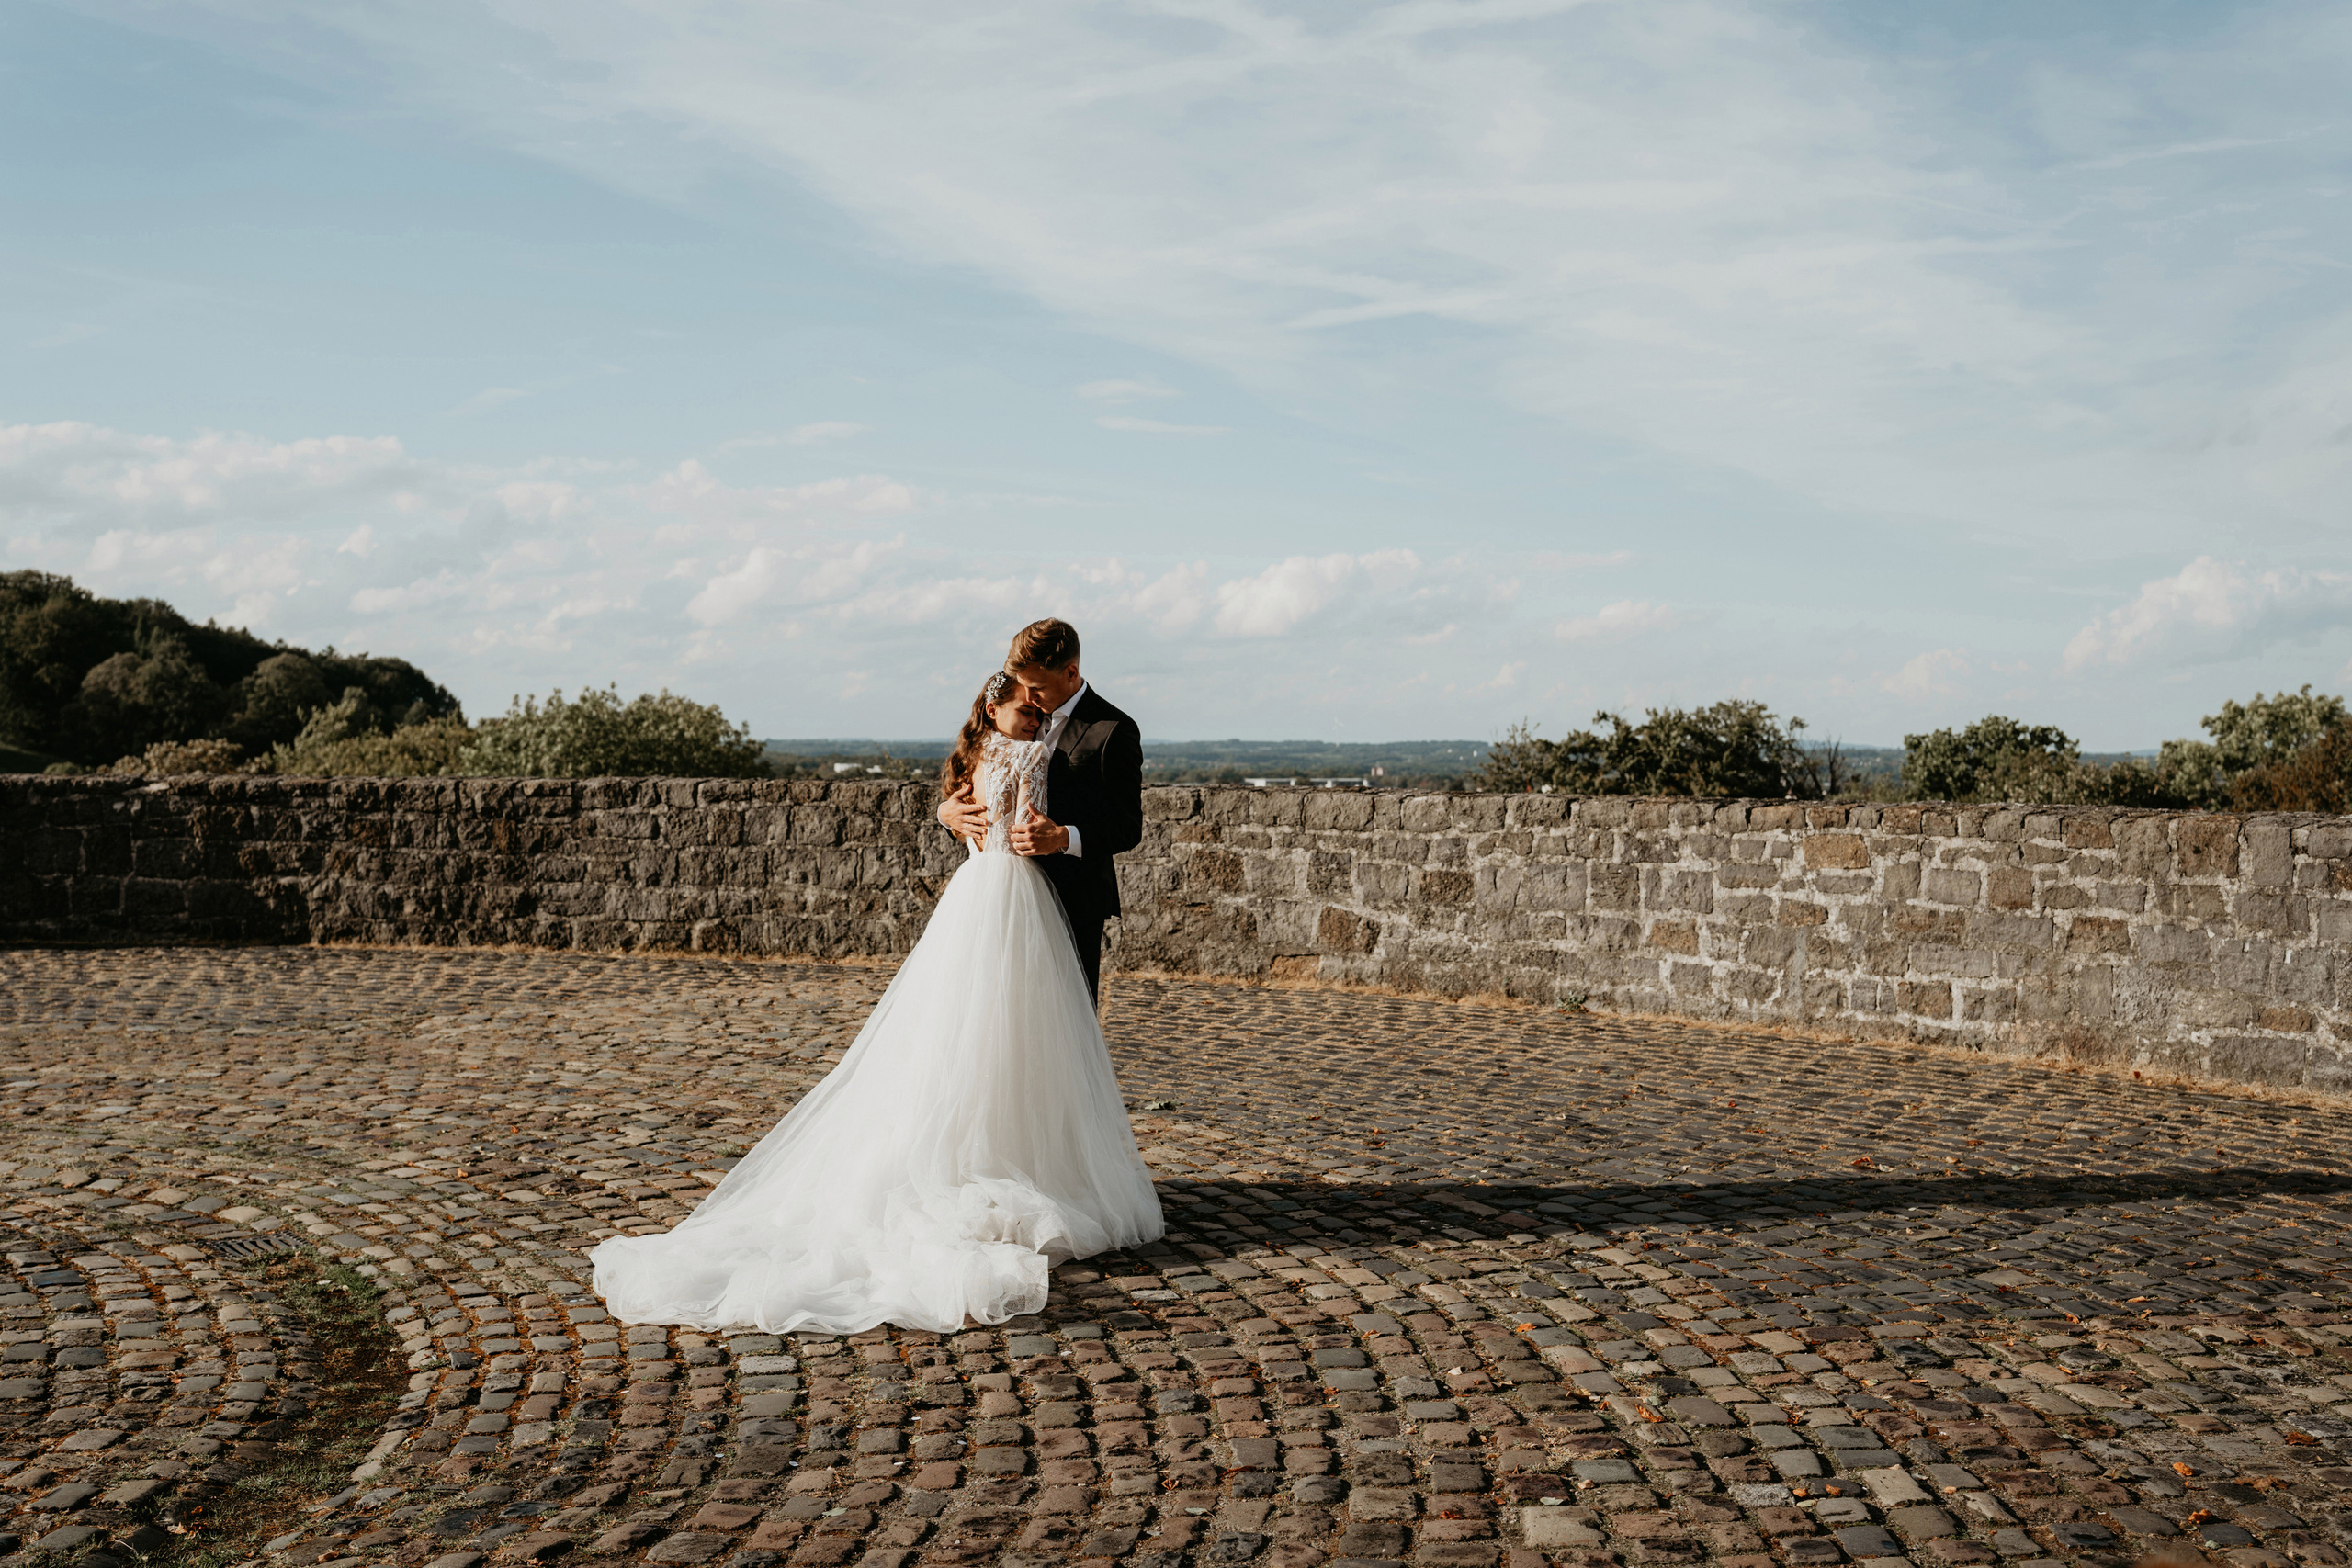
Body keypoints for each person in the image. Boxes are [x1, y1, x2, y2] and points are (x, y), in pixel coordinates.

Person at [589, 672, 1163, 1334]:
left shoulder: (996, 747)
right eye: (1025, 706)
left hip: (990, 892)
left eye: (1039, 705)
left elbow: (1053, 818)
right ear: (998, 705)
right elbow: (998, 815)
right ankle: (1011, 1160)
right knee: (993, 1031)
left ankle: (1014, 1156)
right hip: (1011, 895)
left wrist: (994, 817)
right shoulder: (1025, 751)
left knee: (987, 1032)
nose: (1036, 716)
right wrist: (964, 814)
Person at [939, 618, 1144, 1004]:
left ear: (1071, 672)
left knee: (1067, 1018)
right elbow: (979, 788)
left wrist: (1064, 837)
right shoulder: (1009, 717)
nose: (1029, 699)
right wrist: (947, 815)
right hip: (1000, 897)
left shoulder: (1113, 730)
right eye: (1023, 689)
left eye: (1037, 687)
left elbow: (1127, 826)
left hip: (1073, 900)